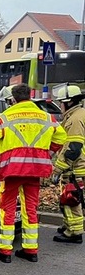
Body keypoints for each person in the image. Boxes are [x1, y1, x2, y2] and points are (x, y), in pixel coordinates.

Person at [0, 83, 66, 263]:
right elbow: (61, 137)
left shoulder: (4, 117)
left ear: (13, 99)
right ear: (30, 96)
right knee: (31, 209)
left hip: (12, 170)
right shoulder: (46, 116)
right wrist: (47, 154)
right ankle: (30, 250)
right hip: (35, 170)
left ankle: (5, 251)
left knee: (8, 208)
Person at [50, 84, 85, 244]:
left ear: (69, 102)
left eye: (61, 102)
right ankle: (68, 226)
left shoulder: (75, 120)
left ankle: (74, 233)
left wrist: (58, 169)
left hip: (75, 168)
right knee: (68, 198)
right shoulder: (77, 115)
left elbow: (73, 149)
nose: (60, 106)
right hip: (76, 167)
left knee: (71, 200)